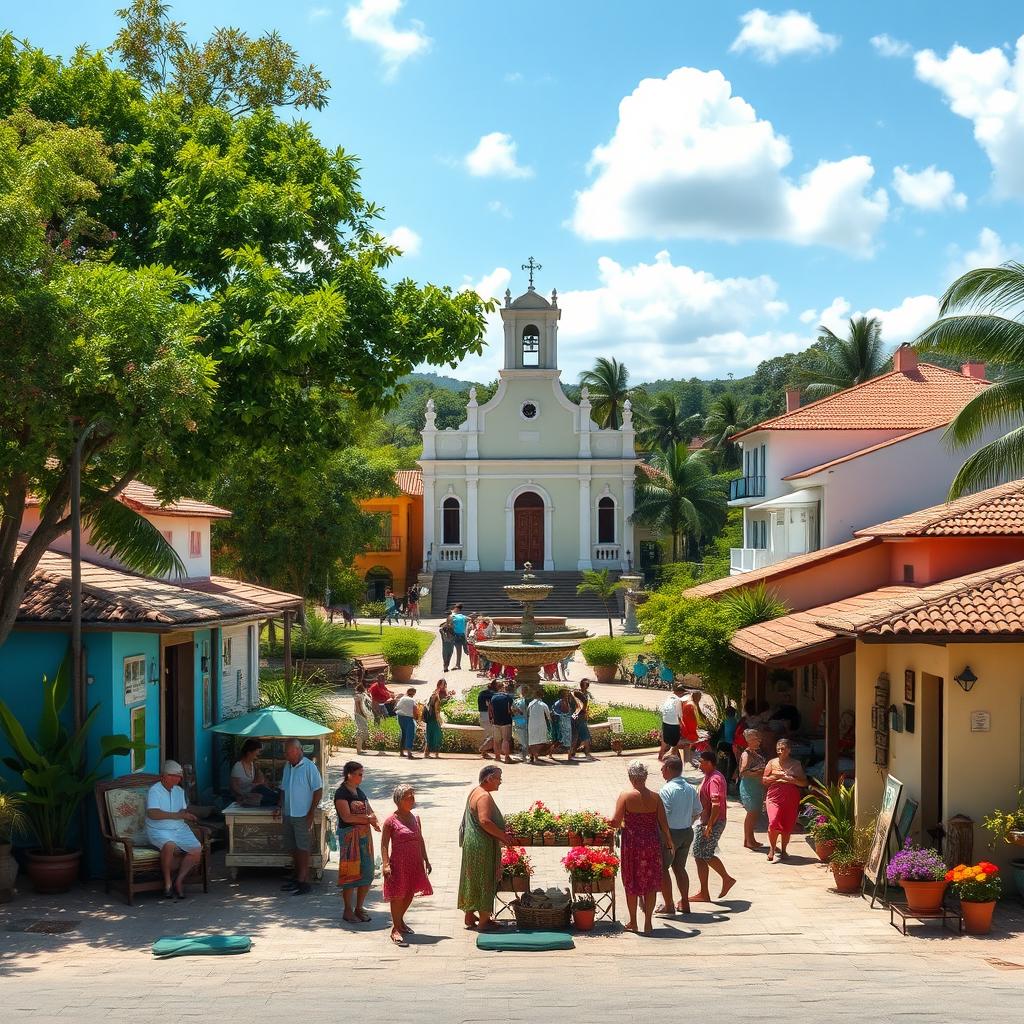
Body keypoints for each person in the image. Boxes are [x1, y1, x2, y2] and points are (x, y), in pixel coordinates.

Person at [610, 760, 674, 935]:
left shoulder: (625, 796)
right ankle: (648, 923)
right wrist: (669, 841)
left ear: (631, 777)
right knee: (650, 883)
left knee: (631, 881)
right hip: (651, 844)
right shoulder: (655, 797)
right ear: (645, 777)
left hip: (632, 844)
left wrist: (611, 823)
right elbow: (663, 824)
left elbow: (615, 822)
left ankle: (633, 922)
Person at [457, 765, 512, 931]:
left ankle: (469, 915)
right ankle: (484, 921)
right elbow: (485, 821)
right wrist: (503, 836)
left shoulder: (475, 791)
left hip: (472, 844)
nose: (500, 782)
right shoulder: (484, 797)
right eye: (498, 778)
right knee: (485, 879)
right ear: (489, 778)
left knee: (472, 878)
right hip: (482, 845)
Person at [381, 784, 433, 946]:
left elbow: (420, 839)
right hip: (399, 862)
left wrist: (426, 859)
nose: (412, 799)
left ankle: (400, 922)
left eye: (413, 795)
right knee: (398, 894)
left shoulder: (415, 818)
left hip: (414, 861)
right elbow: (384, 844)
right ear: (399, 800)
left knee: (410, 892)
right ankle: (395, 929)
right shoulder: (391, 821)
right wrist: (385, 864)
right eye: (408, 797)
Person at [145, 760, 202, 900]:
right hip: (158, 829)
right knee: (169, 845)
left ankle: (179, 881)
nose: (178, 779)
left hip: (178, 828)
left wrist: (186, 814)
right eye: (174, 776)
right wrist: (178, 815)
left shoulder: (179, 791)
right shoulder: (155, 790)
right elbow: (153, 813)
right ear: (164, 776)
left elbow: (182, 809)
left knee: (196, 849)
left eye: (179, 776)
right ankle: (167, 883)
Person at [275, 739, 323, 896]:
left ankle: (304, 881)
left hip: (302, 814)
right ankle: (297, 877)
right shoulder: (287, 767)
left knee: (303, 848)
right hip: (289, 813)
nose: (285, 755)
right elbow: (283, 788)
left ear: (297, 750)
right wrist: (280, 806)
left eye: (287, 752)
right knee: (293, 847)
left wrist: (310, 813)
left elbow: (318, 790)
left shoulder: (309, 767)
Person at [335, 760, 380, 923]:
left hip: (364, 838)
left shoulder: (359, 792)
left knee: (367, 872)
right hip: (350, 838)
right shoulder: (341, 793)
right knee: (350, 874)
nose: (362, 777)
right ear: (349, 775)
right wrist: (368, 819)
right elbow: (346, 816)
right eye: (359, 774)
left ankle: (359, 908)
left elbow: (369, 809)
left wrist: (374, 820)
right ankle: (347, 910)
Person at [656, 755, 700, 916]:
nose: (661, 771)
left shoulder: (666, 790)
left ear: (668, 769)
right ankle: (685, 902)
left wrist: (665, 835)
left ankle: (669, 905)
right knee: (680, 868)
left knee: (663, 869)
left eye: (662, 768)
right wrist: (685, 821)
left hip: (671, 833)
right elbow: (697, 811)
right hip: (687, 831)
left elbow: (663, 816)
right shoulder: (690, 788)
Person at [691, 750, 736, 902]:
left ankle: (727, 878)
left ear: (710, 763)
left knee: (705, 854)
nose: (700, 765)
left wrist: (710, 825)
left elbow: (716, 804)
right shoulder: (709, 776)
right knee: (698, 854)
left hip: (713, 822)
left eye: (702, 762)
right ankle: (703, 892)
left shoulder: (715, 779)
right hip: (705, 822)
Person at [763, 737, 808, 861]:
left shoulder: (795, 764)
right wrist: (776, 777)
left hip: (791, 796)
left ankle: (783, 850)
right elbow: (764, 780)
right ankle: (772, 848)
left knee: (787, 825)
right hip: (774, 795)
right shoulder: (772, 762)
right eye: (778, 749)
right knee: (773, 822)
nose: (779, 751)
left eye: (782, 749)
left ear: (788, 750)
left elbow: (804, 783)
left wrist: (792, 780)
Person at [738, 728, 766, 851]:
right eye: (755, 739)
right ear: (749, 740)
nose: (758, 741)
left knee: (754, 814)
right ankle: (749, 840)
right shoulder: (746, 754)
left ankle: (750, 839)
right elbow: (743, 771)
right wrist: (760, 773)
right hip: (749, 787)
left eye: (759, 739)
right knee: (752, 813)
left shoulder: (755, 754)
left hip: (756, 787)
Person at [230, 739, 279, 807]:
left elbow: (261, 781)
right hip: (246, 798)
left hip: (253, 795)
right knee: (263, 792)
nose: (259, 753)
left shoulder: (252, 764)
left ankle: (279, 799)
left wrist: (258, 770)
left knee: (268, 796)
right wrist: (245, 795)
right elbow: (235, 788)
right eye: (258, 751)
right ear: (249, 752)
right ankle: (279, 799)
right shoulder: (238, 766)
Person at [488, 681, 515, 764]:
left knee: (496, 740)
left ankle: (497, 756)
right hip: (506, 721)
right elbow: (509, 710)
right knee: (505, 740)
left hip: (496, 721)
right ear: (503, 688)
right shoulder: (508, 697)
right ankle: (507, 757)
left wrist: (491, 718)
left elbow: (490, 709)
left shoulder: (493, 697)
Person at [658, 685, 685, 761]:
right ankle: (674, 760)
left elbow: (662, 710)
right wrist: (682, 726)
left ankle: (660, 755)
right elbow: (680, 715)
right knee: (675, 744)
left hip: (665, 721)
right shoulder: (678, 700)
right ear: (680, 693)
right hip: (673, 723)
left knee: (664, 741)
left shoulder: (668, 698)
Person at [569, 679, 594, 760]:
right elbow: (583, 709)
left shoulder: (576, 694)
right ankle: (586, 753)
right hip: (580, 719)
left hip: (576, 718)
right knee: (585, 737)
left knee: (576, 737)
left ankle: (573, 753)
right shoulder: (581, 697)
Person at [551, 688, 578, 759]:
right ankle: (550, 753)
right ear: (563, 695)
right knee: (561, 740)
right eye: (566, 693)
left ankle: (569, 755)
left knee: (566, 740)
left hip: (566, 723)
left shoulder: (565, 702)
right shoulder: (561, 702)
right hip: (563, 723)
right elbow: (561, 712)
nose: (568, 694)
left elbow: (569, 712)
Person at [527, 691, 552, 764]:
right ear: (542, 696)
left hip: (531, 724)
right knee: (540, 740)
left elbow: (528, 713)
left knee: (531, 740)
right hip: (541, 724)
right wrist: (550, 721)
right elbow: (548, 715)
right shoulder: (543, 704)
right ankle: (536, 756)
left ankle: (531, 755)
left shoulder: (530, 704)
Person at [423, 679, 446, 758]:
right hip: (434, 719)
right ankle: (435, 754)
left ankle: (427, 753)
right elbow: (436, 711)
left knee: (429, 736)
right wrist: (439, 720)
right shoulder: (436, 698)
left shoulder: (432, 697)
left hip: (429, 719)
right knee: (437, 736)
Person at [680, 688, 702, 764]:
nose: (700, 699)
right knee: (687, 749)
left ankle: (687, 763)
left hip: (689, 733)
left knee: (687, 751)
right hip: (689, 734)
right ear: (694, 696)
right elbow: (688, 722)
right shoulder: (690, 706)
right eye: (699, 697)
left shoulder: (692, 704)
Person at [396, 687, 419, 759]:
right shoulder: (412, 700)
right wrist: (416, 717)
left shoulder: (402, 698)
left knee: (403, 734)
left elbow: (396, 708)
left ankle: (401, 752)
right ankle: (409, 753)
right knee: (410, 735)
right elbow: (415, 709)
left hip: (400, 717)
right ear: (413, 693)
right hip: (408, 718)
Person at [477, 678, 498, 758]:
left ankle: (485, 751)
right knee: (491, 734)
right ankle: (483, 749)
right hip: (488, 715)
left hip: (482, 714)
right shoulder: (492, 695)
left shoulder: (481, 693)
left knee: (486, 734)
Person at [447, 603, 469, 669]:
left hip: (455, 634)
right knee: (460, 650)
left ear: (455, 608)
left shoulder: (452, 616)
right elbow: (469, 618)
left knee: (457, 650)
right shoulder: (462, 616)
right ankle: (458, 664)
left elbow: (449, 625)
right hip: (462, 634)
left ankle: (458, 665)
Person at [511, 689, 530, 762]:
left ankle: (524, 753)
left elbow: (512, 709)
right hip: (523, 720)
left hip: (517, 720)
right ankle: (524, 753)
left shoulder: (516, 701)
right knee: (524, 737)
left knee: (521, 737)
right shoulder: (524, 701)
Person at [352, 684, 371, 755]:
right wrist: (365, 715)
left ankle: (359, 749)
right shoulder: (360, 696)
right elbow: (360, 707)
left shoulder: (358, 696)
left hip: (358, 714)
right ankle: (358, 750)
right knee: (361, 732)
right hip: (360, 715)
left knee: (361, 732)